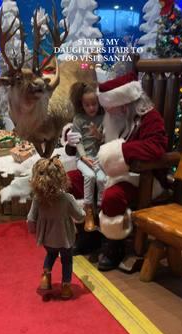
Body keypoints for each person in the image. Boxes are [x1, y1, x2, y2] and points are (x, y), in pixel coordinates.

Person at [65, 72, 168, 271]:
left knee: (112, 196)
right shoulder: (114, 117)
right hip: (106, 170)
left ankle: (114, 244)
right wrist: (72, 144)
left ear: (125, 102)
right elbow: (96, 144)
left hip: (138, 177)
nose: (107, 110)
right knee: (69, 181)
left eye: (111, 106)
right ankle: (89, 232)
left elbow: (156, 148)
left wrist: (119, 152)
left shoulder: (149, 117)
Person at [27, 156, 85, 299]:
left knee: (51, 254)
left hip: (47, 238)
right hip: (65, 238)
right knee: (67, 260)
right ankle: (66, 287)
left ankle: (46, 277)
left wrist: (34, 231)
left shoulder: (37, 199)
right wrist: (84, 212)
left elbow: (30, 219)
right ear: (61, 178)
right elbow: (79, 216)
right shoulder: (67, 199)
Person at [69, 81, 106, 232]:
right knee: (89, 176)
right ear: (81, 105)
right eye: (87, 105)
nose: (91, 108)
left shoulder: (103, 117)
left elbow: (105, 139)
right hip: (83, 158)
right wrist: (83, 157)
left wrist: (99, 136)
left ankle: (101, 211)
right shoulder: (78, 119)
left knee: (102, 178)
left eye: (94, 104)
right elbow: (77, 140)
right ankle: (88, 211)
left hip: (98, 157)